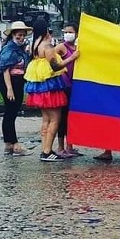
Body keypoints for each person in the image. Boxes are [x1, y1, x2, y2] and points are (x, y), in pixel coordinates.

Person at [24, 18, 79, 162]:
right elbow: (55, 66)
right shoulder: (46, 46)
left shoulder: (34, 45)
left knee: (45, 120)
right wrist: (71, 58)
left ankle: (45, 149)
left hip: (40, 87)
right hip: (51, 86)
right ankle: (48, 151)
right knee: (55, 119)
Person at [0, 21, 33, 156]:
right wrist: (9, 88)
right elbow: (5, 70)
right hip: (11, 82)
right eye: (18, 36)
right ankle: (14, 144)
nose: (21, 38)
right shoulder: (9, 49)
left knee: (11, 113)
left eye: (23, 35)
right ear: (13, 36)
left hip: (18, 82)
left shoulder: (19, 49)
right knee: (10, 113)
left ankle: (9, 144)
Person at [54, 22, 83, 158]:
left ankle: (70, 146)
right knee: (63, 117)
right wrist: (70, 58)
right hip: (64, 86)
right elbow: (50, 61)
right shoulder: (61, 47)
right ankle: (60, 147)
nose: (67, 34)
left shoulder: (78, 47)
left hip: (75, 87)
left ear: (76, 33)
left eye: (70, 31)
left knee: (72, 117)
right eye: (65, 31)